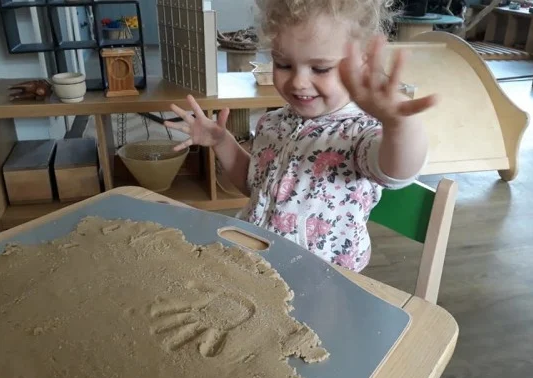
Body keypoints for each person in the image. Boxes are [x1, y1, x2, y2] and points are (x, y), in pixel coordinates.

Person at [166, 0, 437, 272]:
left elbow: (397, 171)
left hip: (323, 276)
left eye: (320, 69)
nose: (298, 81)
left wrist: (398, 125)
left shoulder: (359, 132)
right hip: (255, 260)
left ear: (362, 64)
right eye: (283, 64)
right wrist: (221, 141)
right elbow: (254, 186)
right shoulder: (272, 123)